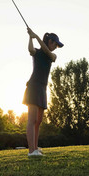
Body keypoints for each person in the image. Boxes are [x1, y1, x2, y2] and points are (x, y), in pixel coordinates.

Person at [23, 28, 64, 156]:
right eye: (55, 44)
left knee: (39, 121)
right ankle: (31, 151)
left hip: (42, 88)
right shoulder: (38, 52)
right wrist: (31, 37)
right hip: (34, 86)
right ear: (50, 41)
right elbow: (30, 50)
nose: (56, 47)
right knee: (32, 120)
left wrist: (36, 37)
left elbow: (47, 51)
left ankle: (35, 148)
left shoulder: (52, 55)